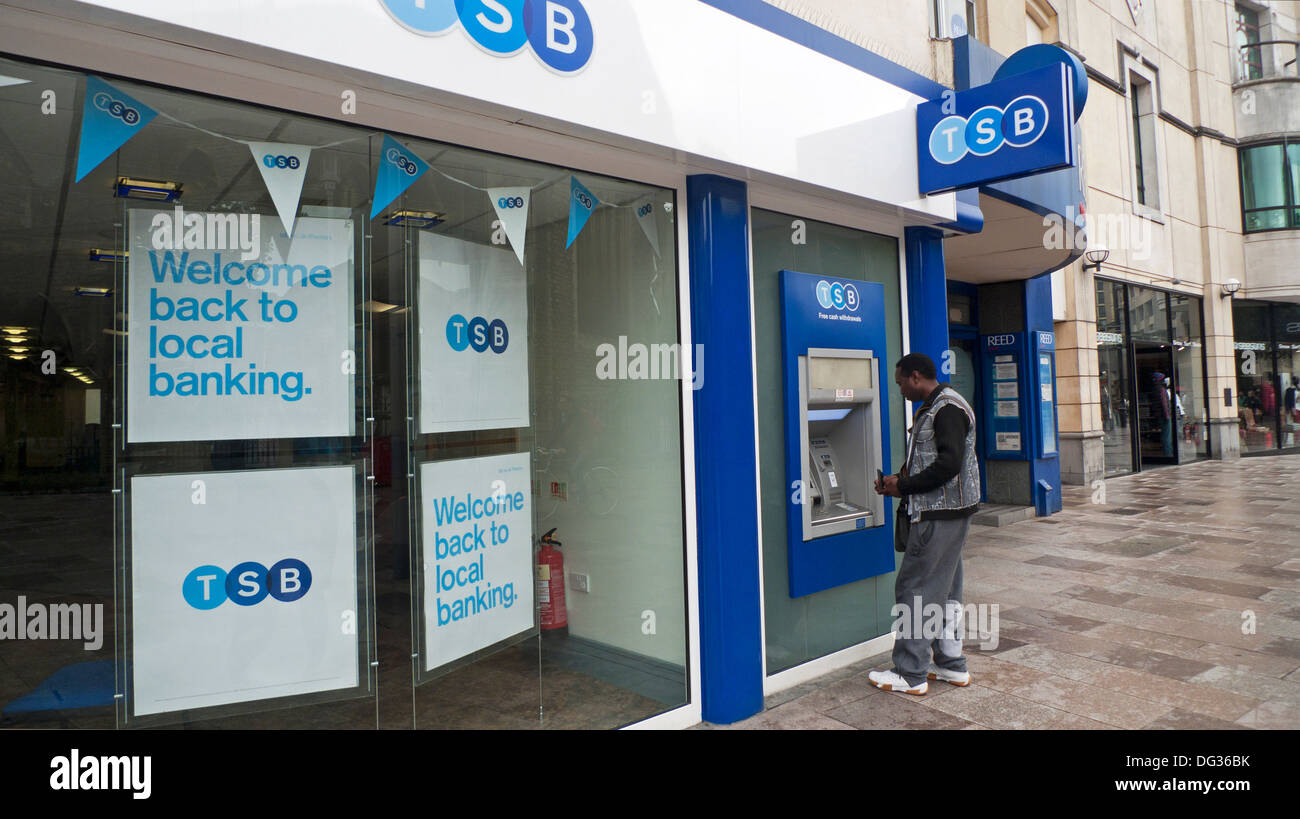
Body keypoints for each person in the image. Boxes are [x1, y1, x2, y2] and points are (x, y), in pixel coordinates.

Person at [868, 352, 981, 695]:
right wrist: (898, 481)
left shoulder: (944, 409)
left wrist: (903, 486)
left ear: (916, 376)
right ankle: (951, 665)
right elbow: (931, 460)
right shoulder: (941, 406)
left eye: (901, 381)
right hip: (952, 512)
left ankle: (909, 672)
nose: (900, 388)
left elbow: (948, 465)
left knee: (915, 590)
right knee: (945, 591)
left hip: (937, 516)